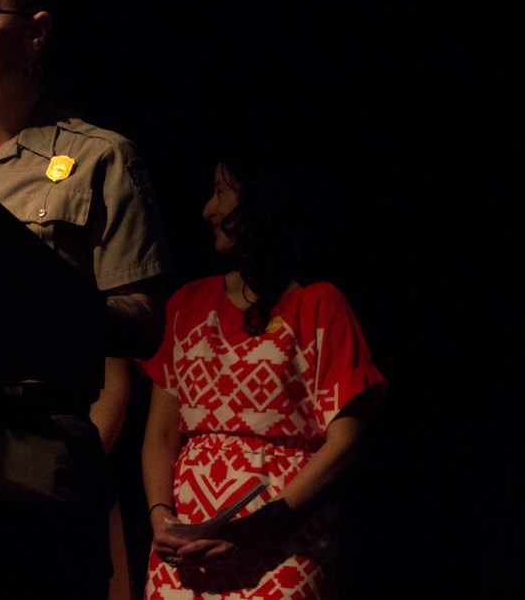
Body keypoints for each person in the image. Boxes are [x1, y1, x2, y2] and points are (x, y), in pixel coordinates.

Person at [0, 0, 174, 599]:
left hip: (39, 453)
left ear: (35, 32)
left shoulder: (100, 158)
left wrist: (32, 298)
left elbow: (142, 324)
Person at [139, 141, 388, 598]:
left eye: (220, 192)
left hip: (285, 543)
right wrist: (161, 516)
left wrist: (262, 528)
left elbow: (348, 440)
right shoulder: (186, 304)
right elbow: (160, 433)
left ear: (259, 200)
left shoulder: (319, 305)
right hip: (186, 551)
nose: (207, 209)